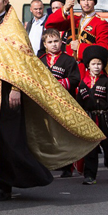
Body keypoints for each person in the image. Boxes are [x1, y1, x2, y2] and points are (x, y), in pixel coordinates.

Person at [0, 0, 105, 203]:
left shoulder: (13, 28)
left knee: (5, 141)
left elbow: (22, 62)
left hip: (4, 94)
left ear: (5, 1)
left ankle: (4, 184)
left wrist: (16, 89)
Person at [39, 28, 81, 178]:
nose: (54, 45)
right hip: (46, 103)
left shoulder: (68, 59)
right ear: (45, 44)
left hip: (64, 102)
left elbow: (75, 79)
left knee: (64, 135)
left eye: (56, 41)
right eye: (50, 42)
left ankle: (67, 167)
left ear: (61, 42)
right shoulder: (41, 60)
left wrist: (59, 84)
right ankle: (48, 164)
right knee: (47, 134)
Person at [46, 0, 108, 71]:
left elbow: (103, 49)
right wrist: (65, 8)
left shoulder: (101, 23)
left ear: (94, 1)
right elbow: (49, 24)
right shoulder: (73, 19)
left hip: (86, 70)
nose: (86, 3)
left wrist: (80, 48)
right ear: (79, 2)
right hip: (68, 68)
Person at [77, 45, 108, 185]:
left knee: (107, 147)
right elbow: (79, 104)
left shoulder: (106, 81)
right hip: (90, 119)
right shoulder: (83, 84)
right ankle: (90, 175)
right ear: (88, 65)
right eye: (93, 64)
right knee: (91, 150)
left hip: (104, 119)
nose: (96, 67)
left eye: (99, 64)